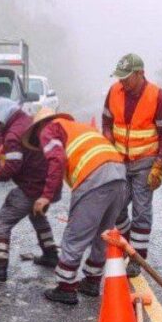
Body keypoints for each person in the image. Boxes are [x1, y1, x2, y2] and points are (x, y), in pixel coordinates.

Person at [23, 108, 127, 305]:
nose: (40, 143)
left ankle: (66, 287)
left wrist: (45, 196)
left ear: (39, 126)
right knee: (103, 234)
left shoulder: (49, 129)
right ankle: (92, 281)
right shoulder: (77, 128)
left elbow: (57, 160)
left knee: (76, 234)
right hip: (118, 173)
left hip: (94, 175)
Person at [102, 53, 162, 277]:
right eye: (120, 77)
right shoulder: (114, 91)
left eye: (126, 77)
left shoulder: (157, 97)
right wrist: (108, 139)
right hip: (119, 161)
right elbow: (106, 121)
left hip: (144, 162)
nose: (122, 81)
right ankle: (128, 244)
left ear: (140, 73)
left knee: (141, 211)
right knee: (116, 207)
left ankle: (137, 258)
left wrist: (159, 164)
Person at [0, 99, 61, 282]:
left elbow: (12, 168)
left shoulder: (13, 135)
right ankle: (51, 254)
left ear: (3, 118)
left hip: (32, 186)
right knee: (37, 215)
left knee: (2, 221)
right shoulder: (27, 121)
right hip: (47, 184)